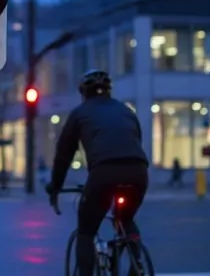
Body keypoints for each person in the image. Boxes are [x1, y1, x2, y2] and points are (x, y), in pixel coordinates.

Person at [45, 69, 149, 276]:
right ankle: (137, 264)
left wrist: (55, 187)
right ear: (109, 91)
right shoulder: (126, 111)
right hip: (138, 171)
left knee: (86, 230)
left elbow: (64, 155)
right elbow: (136, 140)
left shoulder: (79, 114)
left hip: (104, 173)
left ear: (83, 93)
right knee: (125, 218)